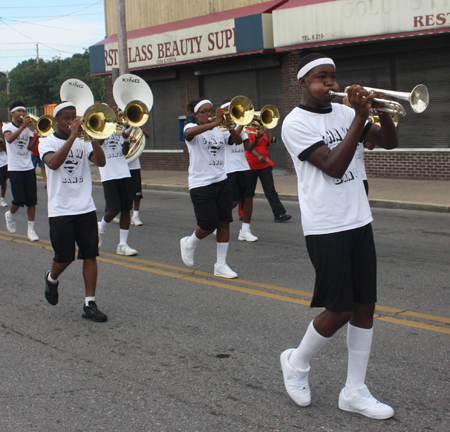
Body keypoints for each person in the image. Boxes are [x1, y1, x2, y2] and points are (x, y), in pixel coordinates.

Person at [280, 53, 398, 420]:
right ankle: (297, 363)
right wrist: (360, 116)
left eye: (333, 77)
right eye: (321, 77)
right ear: (302, 83)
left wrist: (379, 111)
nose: (331, 84)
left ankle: (355, 390)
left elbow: (388, 142)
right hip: (326, 224)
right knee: (341, 308)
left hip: (359, 218)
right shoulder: (294, 123)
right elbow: (333, 167)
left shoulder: (347, 113)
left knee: (365, 306)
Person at [39, 101, 108, 322]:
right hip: (60, 209)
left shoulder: (84, 141)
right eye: (66, 118)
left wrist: (93, 138)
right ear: (56, 120)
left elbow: (101, 162)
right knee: (65, 257)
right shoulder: (46, 141)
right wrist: (72, 138)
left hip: (85, 207)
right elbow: (53, 164)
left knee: (90, 254)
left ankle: (90, 302)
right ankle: (52, 277)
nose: (71, 121)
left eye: (73, 117)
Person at [180, 98, 242, 278]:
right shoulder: (190, 127)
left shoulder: (220, 130)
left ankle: (220, 264)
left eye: (211, 111)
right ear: (196, 115)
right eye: (205, 112)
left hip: (221, 180)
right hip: (200, 183)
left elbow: (237, 141)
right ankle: (189, 242)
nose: (209, 114)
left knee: (224, 222)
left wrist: (229, 124)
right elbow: (189, 134)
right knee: (208, 224)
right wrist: (214, 122)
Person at [97, 117, 138, 256]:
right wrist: (106, 129)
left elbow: (124, 152)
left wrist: (126, 139)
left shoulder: (118, 130)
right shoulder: (99, 131)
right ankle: (100, 228)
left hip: (124, 173)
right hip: (109, 175)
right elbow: (98, 142)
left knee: (126, 209)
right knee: (114, 209)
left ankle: (122, 245)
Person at [2, 101, 39, 241]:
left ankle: (31, 230)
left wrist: (38, 137)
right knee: (18, 200)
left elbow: (29, 148)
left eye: (23, 111)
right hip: (14, 168)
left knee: (31, 201)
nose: (22, 114)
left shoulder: (29, 128)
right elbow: (10, 139)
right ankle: (10, 214)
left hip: (28, 167)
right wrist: (23, 127)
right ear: (12, 113)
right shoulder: (7, 126)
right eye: (19, 111)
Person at [221, 101, 258, 242]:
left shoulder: (239, 128)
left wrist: (258, 137)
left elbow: (248, 148)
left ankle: (245, 230)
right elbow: (233, 140)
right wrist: (243, 122)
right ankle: (217, 219)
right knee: (234, 201)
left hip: (244, 167)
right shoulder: (222, 128)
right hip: (229, 169)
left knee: (248, 199)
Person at [244, 129, 292, 223]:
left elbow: (264, 144)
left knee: (270, 190)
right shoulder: (248, 131)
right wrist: (258, 156)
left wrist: (270, 142)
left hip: (264, 164)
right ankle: (243, 214)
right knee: (248, 192)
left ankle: (279, 214)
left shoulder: (262, 130)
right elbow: (249, 147)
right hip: (251, 165)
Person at [128, 126, 150, 226]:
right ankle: (119, 212)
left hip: (134, 164)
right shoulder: (118, 129)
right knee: (124, 193)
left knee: (137, 193)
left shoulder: (136, 129)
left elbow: (148, 136)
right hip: (121, 166)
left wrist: (140, 126)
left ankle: (135, 216)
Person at [0, 120, 8, 207]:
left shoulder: (4, 132)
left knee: (4, 179)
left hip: (3, 158)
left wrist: (2, 144)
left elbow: (7, 147)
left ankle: (2, 198)